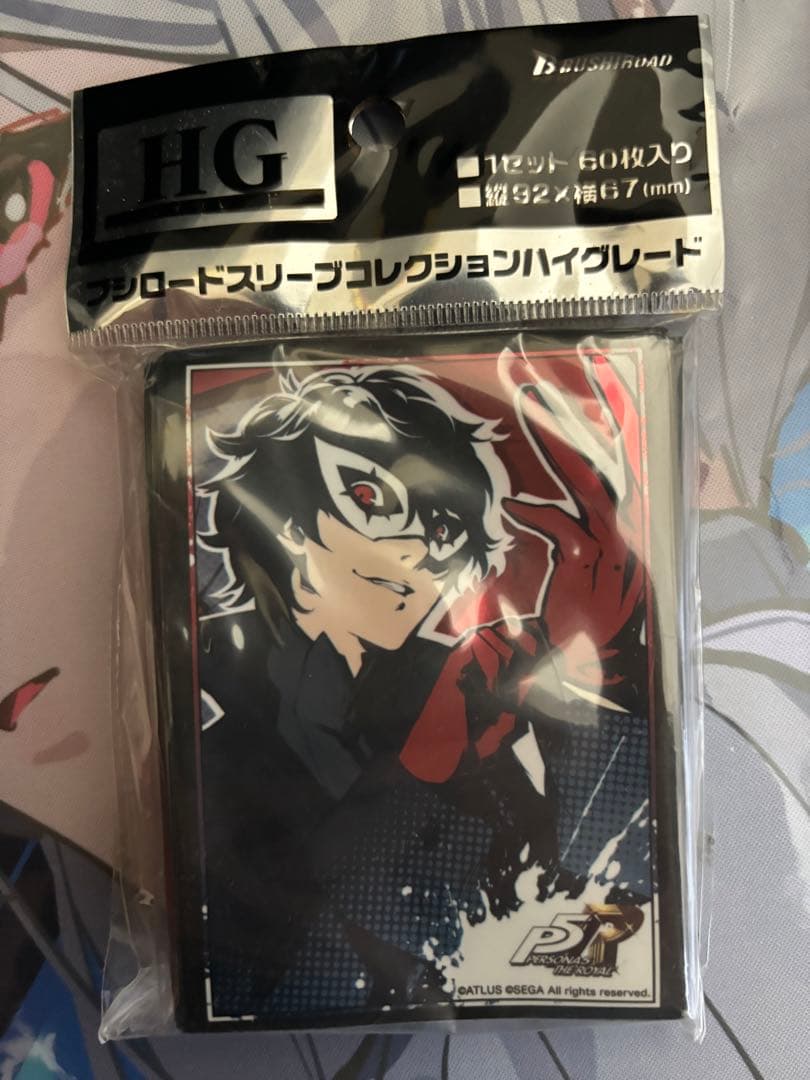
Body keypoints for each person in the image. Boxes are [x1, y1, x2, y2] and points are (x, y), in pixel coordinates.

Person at [194, 353, 645, 1022]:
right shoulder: (214, 713)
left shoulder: (471, 690)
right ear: (286, 520)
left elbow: (591, 877)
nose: (413, 548)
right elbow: (242, 982)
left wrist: (616, 669)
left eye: (442, 531)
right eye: (371, 499)